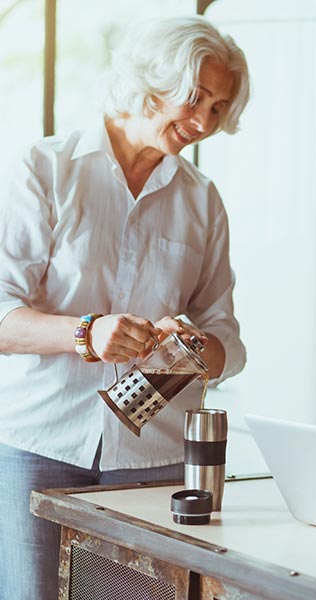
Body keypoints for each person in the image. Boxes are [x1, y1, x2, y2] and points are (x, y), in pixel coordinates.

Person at [0, 16, 249, 600]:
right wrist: (87, 333)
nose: (203, 123)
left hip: (153, 457)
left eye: (218, 108)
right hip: (40, 445)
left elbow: (226, 340)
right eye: (195, 99)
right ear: (150, 79)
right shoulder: (47, 169)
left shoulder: (202, 200)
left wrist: (198, 347)